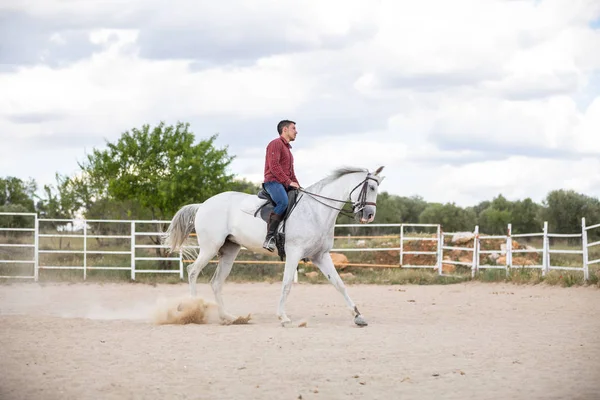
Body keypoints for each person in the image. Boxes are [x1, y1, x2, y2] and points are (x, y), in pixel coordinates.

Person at [262, 119, 301, 251]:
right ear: (285, 129)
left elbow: (291, 173)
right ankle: (270, 238)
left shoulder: (288, 150)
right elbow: (274, 166)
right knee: (283, 202)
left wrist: (298, 186)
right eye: (293, 128)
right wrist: (288, 182)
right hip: (273, 182)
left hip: (284, 183)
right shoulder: (275, 144)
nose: (296, 131)